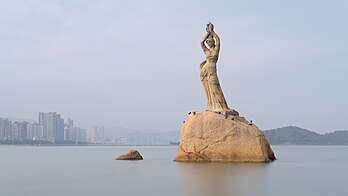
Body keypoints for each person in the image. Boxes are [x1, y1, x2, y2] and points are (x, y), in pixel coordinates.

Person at [199, 23, 235, 115]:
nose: (209, 43)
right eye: (208, 42)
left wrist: (212, 32)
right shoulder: (206, 51)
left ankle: (221, 106)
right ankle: (211, 106)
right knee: (209, 89)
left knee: (215, 88)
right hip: (205, 70)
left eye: (210, 42)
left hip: (212, 70)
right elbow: (201, 42)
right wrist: (207, 33)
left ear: (213, 42)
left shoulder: (216, 49)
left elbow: (218, 40)